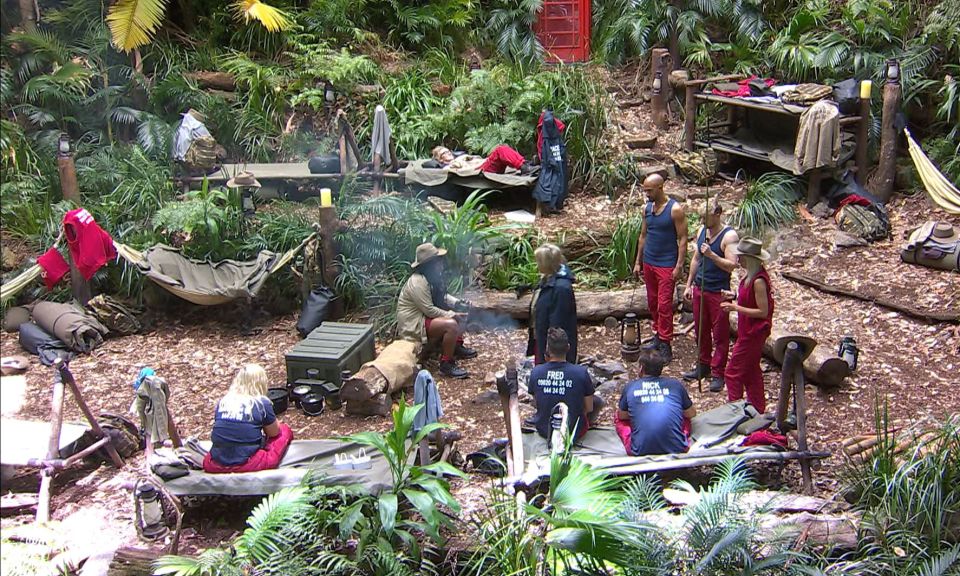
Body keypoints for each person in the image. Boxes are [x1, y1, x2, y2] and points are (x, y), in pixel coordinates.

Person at [396, 242, 477, 379]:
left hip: (424, 318)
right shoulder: (417, 282)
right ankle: (446, 364)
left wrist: (458, 303)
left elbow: (442, 296)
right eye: (437, 261)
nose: (441, 264)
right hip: (414, 324)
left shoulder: (430, 278)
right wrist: (452, 314)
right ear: (429, 265)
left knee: (460, 312)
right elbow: (428, 310)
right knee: (451, 324)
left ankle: (456, 346)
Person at [682, 198, 739, 392]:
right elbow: (696, 259)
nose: (703, 221)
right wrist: (689, 284)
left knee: (720, 334)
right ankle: (703, 364)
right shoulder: (701, 232)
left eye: (706, 217)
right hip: (700, 287)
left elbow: (732, 264)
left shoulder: (729, 236)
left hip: (718, 291)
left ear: (718, 213)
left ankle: (718, 372)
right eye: (700, 217)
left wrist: (713, 256)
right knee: (700, 330)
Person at [633, 174, 688, 362]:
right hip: (649, 261)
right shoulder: (646, 209)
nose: (646, 194)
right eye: (645, 190)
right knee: (653, 301)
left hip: (666, 263)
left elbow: (682, 239)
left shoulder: (675, 210)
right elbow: (643, 235)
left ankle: (665, 342)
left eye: (649, 190)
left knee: (665, 304)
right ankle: (658, 334)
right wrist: (638, 261)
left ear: (660, 188)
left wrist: (679, 265)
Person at [203, 364, 293, 473]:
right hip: (247, 464)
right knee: (284, 431)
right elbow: (274, 433)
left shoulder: (223, 401)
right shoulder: (261, 402)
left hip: (215, 464)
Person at [721, 237, 775, 413]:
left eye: (742, 256)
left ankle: (734, 411)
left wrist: (735, 308)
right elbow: (747, 299)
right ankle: (758, 408)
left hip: (754, 333)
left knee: (732, 373)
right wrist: (733, 296)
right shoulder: (748, 276)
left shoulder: (759, 281)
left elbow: (762, 312)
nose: (739, 259)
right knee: (751, 372)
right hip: (746, 330)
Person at [615, 349, 696, 456]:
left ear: (641, 368)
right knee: (684, 415)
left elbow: (622, 416)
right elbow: (691, 413)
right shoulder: (675, 385)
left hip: (639, 450)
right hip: (677, 447)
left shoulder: (631, 387)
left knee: (618, 417)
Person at [527, 327, 602, 440]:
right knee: (597, 401)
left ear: (547, 349)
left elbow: (537, 403)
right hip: (574, 433)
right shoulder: (581, 372)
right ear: (568, 347)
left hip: (545, 430)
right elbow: (589, 408)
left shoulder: (536, 372)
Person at [526, 244, 577, 365]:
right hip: (542, 338)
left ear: (546, 264)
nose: (536, 264)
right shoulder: (548, 279)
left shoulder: (561, 289)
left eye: (538, 261)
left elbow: (558, 325)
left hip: (554, 350)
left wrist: (551, 354)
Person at [431, 145, 537, 175]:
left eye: (448, 150)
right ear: (440, 159)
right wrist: (457, 162)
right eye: (444, 153)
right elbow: (454, 171)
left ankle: (526, 164)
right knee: (500, 149)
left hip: (484, 164)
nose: (449, 152)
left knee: (502, 150)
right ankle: (525, 167)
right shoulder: (447, 167)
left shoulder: (461, 157)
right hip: (479, 171)